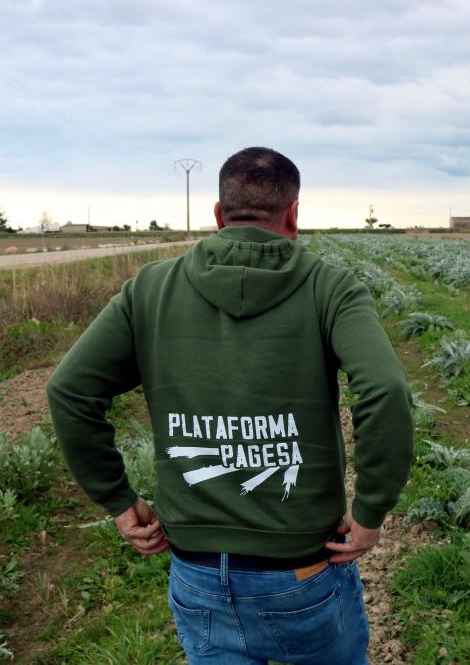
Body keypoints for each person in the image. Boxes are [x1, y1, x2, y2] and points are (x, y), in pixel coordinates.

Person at [46, 146, 414, 664]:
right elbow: (386, 389)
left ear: (219, 216)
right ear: (292, 215)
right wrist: (372, 510)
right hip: (302, 569)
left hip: (198, 574)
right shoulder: (329, 288)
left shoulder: (149, 289)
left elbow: (69, 388)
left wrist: (116, 498)